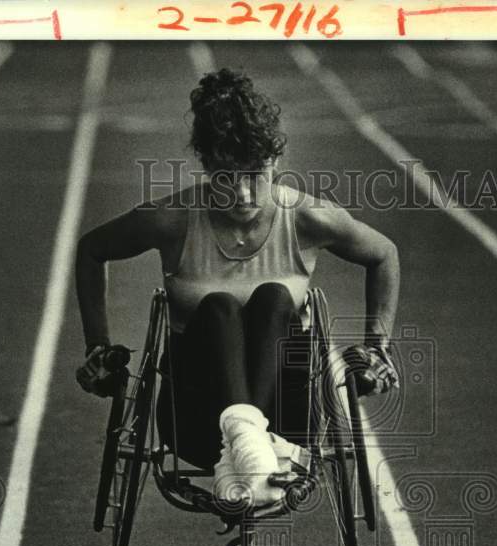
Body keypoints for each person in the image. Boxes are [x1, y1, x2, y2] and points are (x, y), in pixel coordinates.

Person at [75, 67, 400, 505]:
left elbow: (383, 254)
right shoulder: (171, 219)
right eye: (227, 177)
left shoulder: (308, 218)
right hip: (196, 423)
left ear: (276, 164)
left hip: (291, 421)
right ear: (207, 167)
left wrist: (377, 349)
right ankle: (248, 448)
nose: (244, 194)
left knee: (274, 297)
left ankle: (249, 447)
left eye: (256, 175)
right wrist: (98, 347)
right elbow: (92, 250)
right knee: (218, 309)